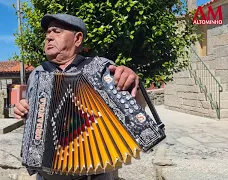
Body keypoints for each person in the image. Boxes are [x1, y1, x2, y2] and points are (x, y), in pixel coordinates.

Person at [14, 13, 145, 180]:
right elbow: (34, 119)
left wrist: (134, 85)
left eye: (56, 31)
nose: (49, 37)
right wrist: (23, 109)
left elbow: (137, 110)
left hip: (94, 174)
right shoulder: (37, 74)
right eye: (47, 33)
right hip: (47, 174)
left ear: (77, 39)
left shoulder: (102, 69)